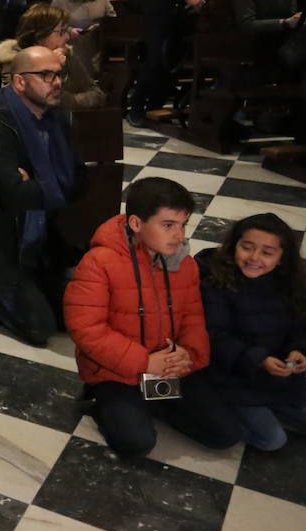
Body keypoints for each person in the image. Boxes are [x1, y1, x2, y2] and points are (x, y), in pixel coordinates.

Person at [64, 176, 243, 458]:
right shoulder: (99, 262)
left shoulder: (183, 263)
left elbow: (193, 316)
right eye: (168, 225)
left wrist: (187, 355)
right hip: (116, 372)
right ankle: (102, 403)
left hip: (166, 367)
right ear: (136, 223)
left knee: (226, 434)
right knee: (137, 444)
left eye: (183, 225)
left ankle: (155, 400)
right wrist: (144, 361)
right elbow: (86, 329)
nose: (179, 235)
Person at [0, 47, 85, 346]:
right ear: (19, 82)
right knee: (39, 328)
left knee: (79, 316)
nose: (56, 81)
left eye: (58, 74)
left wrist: (38, 182)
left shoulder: (58, 120)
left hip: (43, 246)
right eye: (45, 75)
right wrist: (50, 181)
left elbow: (80, 182)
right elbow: (16, 195)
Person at [198, 214, 306, 451]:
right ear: (235, 246)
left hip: (280, 377)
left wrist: (300, 350)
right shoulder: (214, 284)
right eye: (247, 247)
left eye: (267, 252)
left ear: (282, 258)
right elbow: (214, 337)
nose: (254, 258)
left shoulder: (288, 284)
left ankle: (276, 411)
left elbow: (303, 325)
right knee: (272, 440)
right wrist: (258, 359)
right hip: (233, 377)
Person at [0, 4, 107, 109]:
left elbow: (97, 94)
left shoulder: (67, 54)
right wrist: (52, 71)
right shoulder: (13, 62)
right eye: (62, 32)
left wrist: (67, 100)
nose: (68, 37)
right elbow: (20, 105)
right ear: (40, 36)